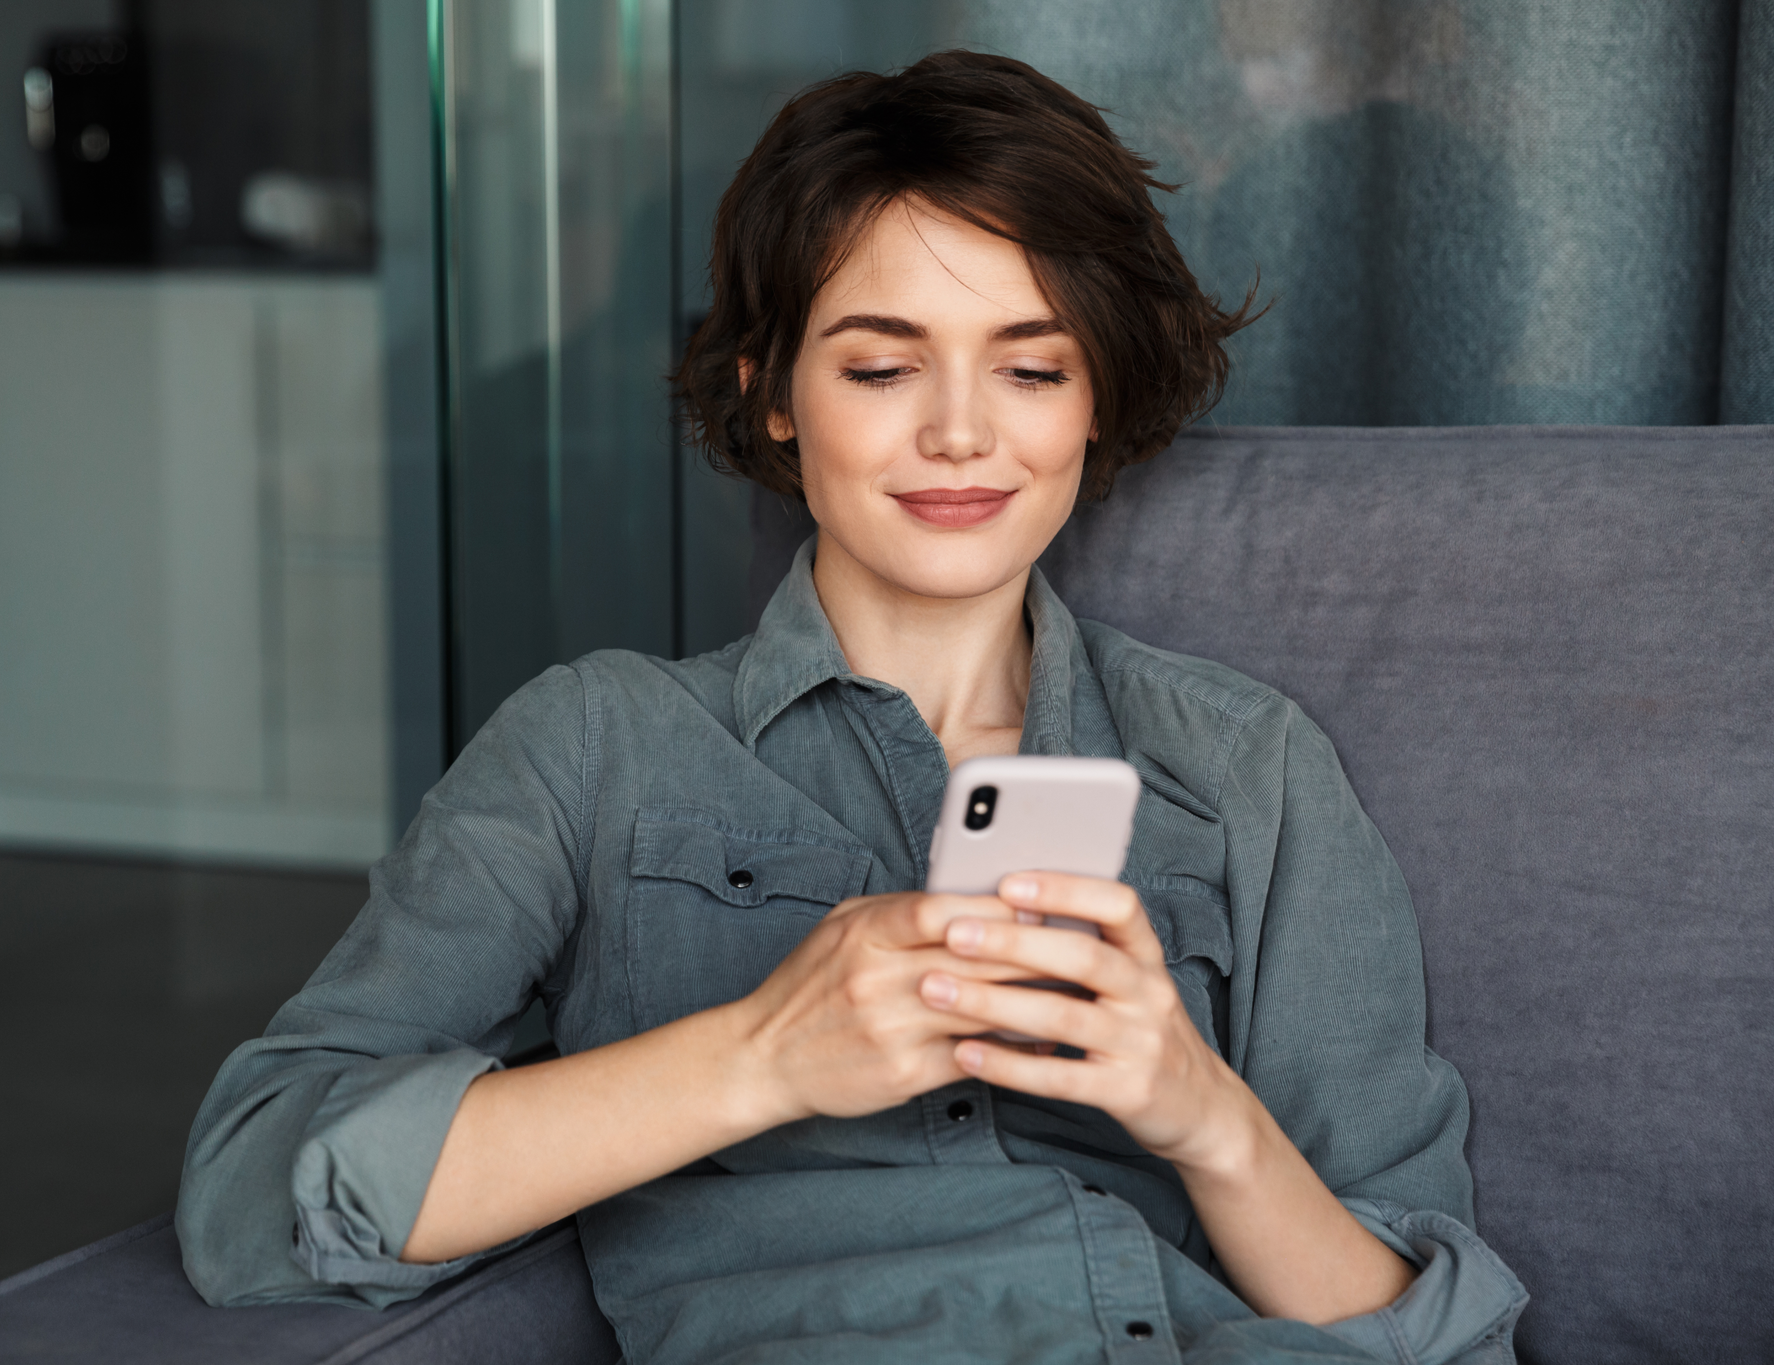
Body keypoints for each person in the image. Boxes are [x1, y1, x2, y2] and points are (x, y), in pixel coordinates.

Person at [177, 51, 1527, 1363]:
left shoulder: (1248, 769)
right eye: (881, 368)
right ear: (769, 391)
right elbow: (254, 1195)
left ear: (1097, 394)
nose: (958, 431)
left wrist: (1198, 1112)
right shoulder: (598, 750)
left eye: (1033, 367)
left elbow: (1436, 1330)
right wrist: (762, 1056)